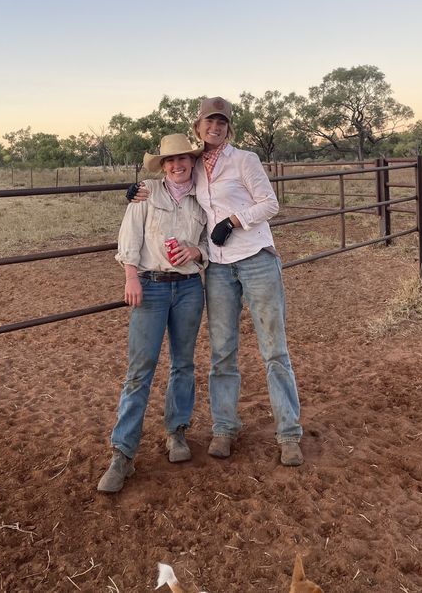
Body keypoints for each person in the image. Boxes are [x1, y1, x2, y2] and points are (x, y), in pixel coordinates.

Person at [129, 98, 303, 466]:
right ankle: (225, 427)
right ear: (199, 126)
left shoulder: (245, 160)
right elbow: (165, 187)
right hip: (220, 268)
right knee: (222, 351)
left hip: (255, 259)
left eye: (222, 121)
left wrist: (233, 221)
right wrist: (134, 191)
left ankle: (288, 433)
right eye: (210, 120)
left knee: (274, 348)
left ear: (229, 126)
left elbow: (269, 204)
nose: (216, 127)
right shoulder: (193, 168)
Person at [97, 134, 208, 493]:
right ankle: (123, 452)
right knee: (140, 368)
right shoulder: (146, 193)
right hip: (153, 285)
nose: (177, 166)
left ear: (192, 161)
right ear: (162, 165)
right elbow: (129, 236)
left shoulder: (202, 198)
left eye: (183, 160)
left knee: (183, 363)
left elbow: (208, 242)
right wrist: (131, 275)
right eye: (170, 161)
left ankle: (176, 432)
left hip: (190, 287)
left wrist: (196, 251)